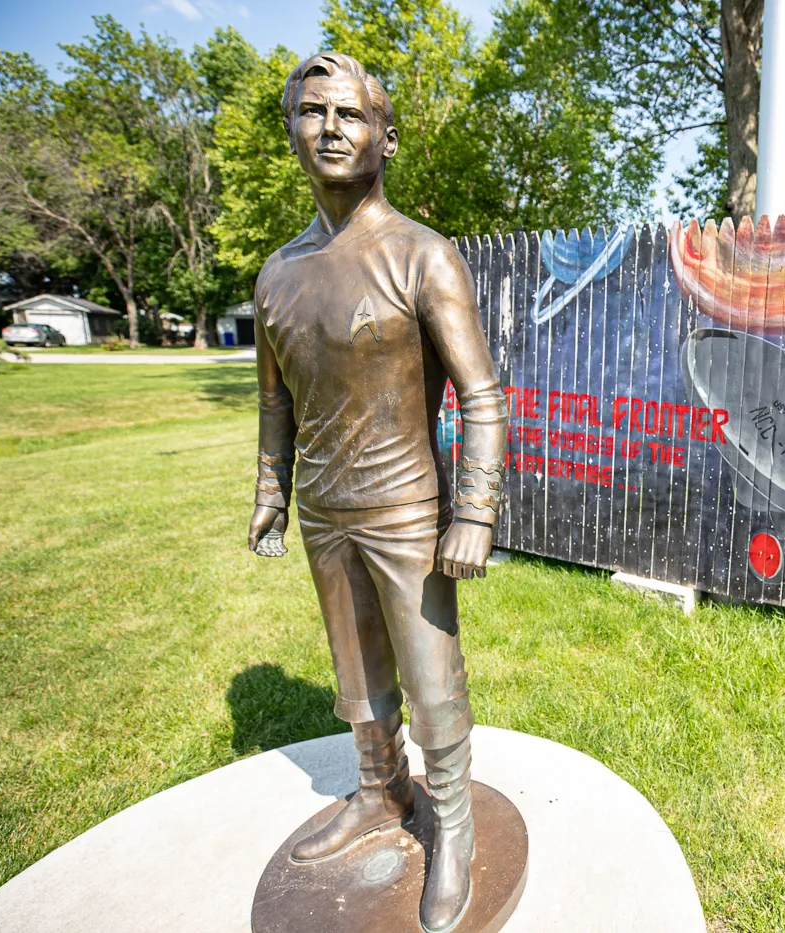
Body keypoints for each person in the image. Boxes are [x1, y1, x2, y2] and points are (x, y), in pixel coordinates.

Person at [246, 50, 507, 933]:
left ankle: (456, 828)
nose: (329, 128)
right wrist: (269, 492)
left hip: (406, 510)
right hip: (325, 510)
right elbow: (274, 401)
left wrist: (473, 512)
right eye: (312, 113)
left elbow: (481, 395)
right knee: (355, 677)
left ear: (385, 137)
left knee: (432, 680)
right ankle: (375, 789)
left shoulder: (423, 256)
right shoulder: (277, 275)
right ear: (292, 132)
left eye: (349, 114)